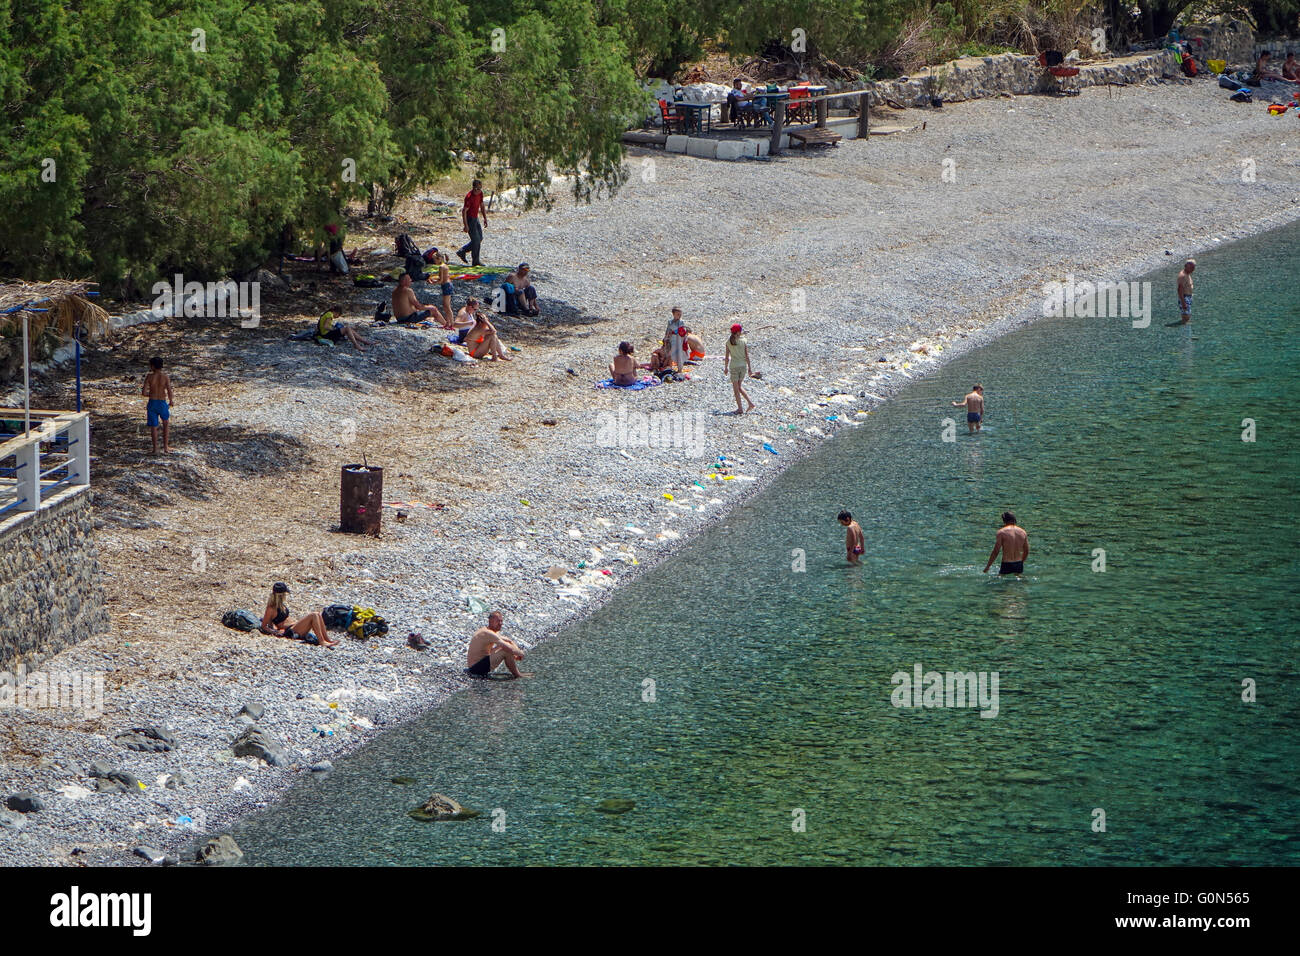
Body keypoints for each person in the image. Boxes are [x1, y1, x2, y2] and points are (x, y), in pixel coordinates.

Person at [260, 582, 339, 647]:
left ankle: (327, 640)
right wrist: (275, 632)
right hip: (290, 632)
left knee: (317, 614)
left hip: (294, 627)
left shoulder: (280, 604)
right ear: (282, 594)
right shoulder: (271, 608)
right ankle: (322, 642)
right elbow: (264, 626)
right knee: (314, 615)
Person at [466, 611, 530, 678]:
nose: (500, 624)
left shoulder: (490, 631)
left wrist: (516, 652)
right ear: (490, 621)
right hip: (475, 669)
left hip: (480, 663)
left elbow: (508, 640)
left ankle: (517, 674)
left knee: (505, 646)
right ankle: (518, 675)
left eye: (501, 621)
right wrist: (522, 653)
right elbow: (509, 648)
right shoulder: (487, 633)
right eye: (498, 621)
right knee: (505, 650)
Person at [141, 356, 174, 454]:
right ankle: (166, 447)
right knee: (166, 424)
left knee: (154, 426)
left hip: (152, 402)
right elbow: (169, 390)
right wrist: (171, 401)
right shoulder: (165, 377)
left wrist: (151, 394)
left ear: (152, 366)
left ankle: (155, 449)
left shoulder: (149, 377)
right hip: (162, 402)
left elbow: (143, 392)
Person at [724, 323, 755, 414]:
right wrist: (750, 368)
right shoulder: (744, 341)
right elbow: (747, 356)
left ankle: (740, 408)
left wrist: (725, 368)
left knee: (736, 389)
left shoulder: (728, 342)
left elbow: (726, 357)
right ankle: (750, 403)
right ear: (739, 332)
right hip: (743, 366)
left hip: (734, 366)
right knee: (739, 387)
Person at [456, 179, 488, 266]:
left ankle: (462, 251)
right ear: (473, 188)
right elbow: (464, 211)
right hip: (470, 219)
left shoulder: (480, 194)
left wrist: (485, 218)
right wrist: (466, 225)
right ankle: (475, 261)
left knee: (479, 238)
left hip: (475, 218)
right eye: (476, 189)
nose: (478, 191)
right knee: (476, 240)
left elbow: (481, 205)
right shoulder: (469, 197)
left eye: (479, 188)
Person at [434, 252, 454, 327]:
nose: (434, 262)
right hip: (448, 285)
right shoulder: (445, 265)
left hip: (446, 285)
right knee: (446, 305)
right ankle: (449, 322)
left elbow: (441, 280)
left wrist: (433, 283)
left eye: (434, 260)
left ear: (438, 259)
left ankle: (451, 323)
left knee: (447, 306)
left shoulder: (441, 267)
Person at [1176, 259, 1195, 325]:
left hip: (1188, 297)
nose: (1193, 269)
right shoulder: (1183, 276)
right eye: (1191, 267)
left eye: (1193, 267)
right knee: (1186, 316)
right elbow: (1179, 290)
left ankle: (1184, 326)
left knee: (1187, 316)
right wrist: (1183, 302)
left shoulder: (1187, 274)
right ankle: (1184, 331)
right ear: (1186, 266)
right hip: (1184, 298)